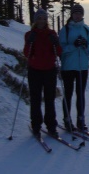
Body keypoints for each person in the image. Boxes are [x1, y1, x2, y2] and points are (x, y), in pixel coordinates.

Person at [23, 8, 62, 137]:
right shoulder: (30, 34)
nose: (42, 21)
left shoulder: (52, 34)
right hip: (35, 70)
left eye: (44, 18)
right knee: (36, 99)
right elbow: (26, 53)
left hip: (49, 70)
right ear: (35, 20)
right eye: (40, 18)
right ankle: (36, 125)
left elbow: (59, 52)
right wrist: (30, 42)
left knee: (50, 99)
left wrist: (55, 42)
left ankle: (51, 125)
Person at [59, 4, 89, 131]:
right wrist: (74, 45)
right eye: (75, 13)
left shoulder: (86, 30)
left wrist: (85, 45)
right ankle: (67, 120)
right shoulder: (65, 29)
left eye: (80, 13)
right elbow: (61, 49)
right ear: (72, 14)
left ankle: (81, 119)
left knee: (80, 94)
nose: (78, 15)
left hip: (82, 67)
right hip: (68, 67)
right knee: (68, 94)